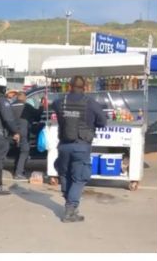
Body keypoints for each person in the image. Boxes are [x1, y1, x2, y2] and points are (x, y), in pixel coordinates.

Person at [52, 76, 106, 223]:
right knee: (79, 178)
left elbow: (56, 112)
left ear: (69, 86)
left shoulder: (59, 102)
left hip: (63, 145)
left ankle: (69, 205)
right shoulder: (91, 103)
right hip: (81, 146)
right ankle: (70, 210)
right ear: (85, 87)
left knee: (64, 174)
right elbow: (102, 122)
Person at [11, 91, 44, 180]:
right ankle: (18, 173)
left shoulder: (11, 106)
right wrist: (42, 106)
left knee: (18, 151)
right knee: (25, 151)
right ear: (24, 98)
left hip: (13, 132)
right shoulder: (26, 106)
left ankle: (17, 170)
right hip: (23, 131)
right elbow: (37, 116)